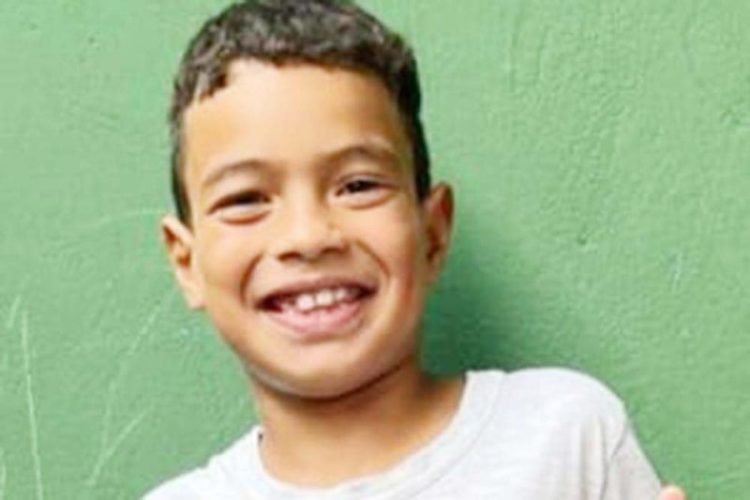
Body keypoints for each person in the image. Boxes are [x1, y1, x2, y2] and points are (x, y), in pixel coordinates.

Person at [145, 0, 687, 498]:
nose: (308, 237)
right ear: (186, 263)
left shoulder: (567, 436)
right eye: (245, 199)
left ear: (433, 233)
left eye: (358, 185)